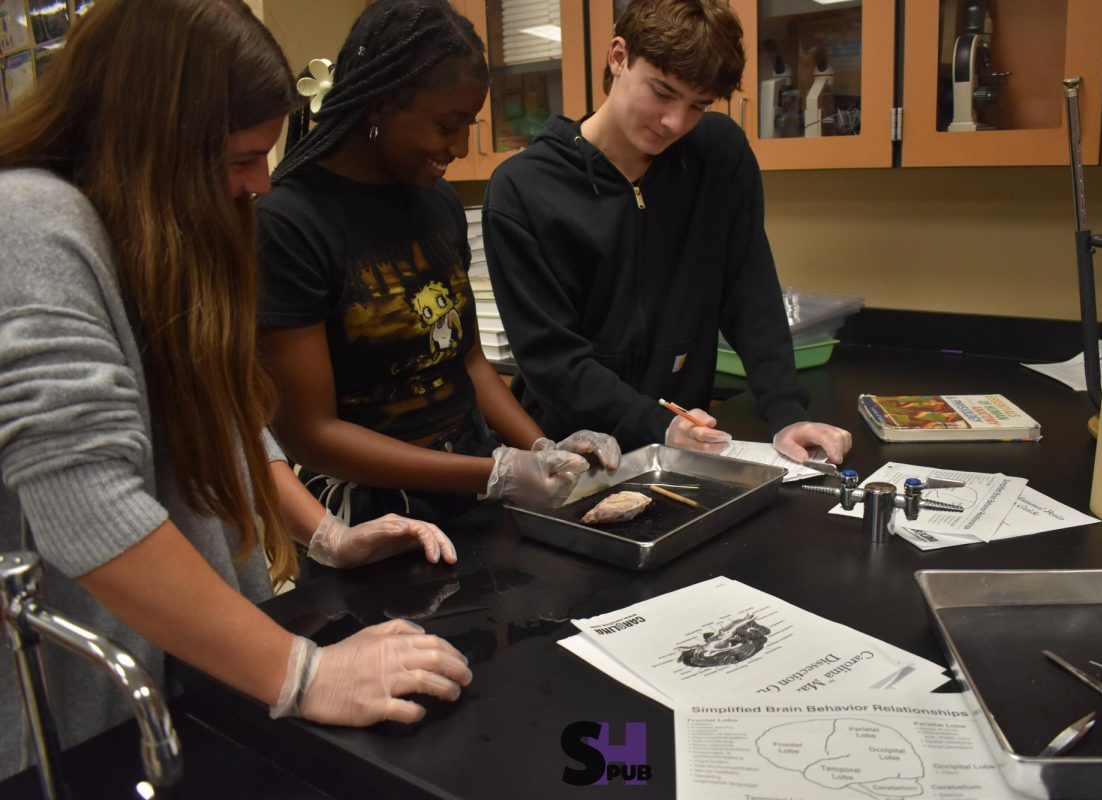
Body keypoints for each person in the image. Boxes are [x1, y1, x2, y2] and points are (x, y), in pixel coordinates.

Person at [0, 0, 471, 781]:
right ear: (152, 142)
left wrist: (324, 534)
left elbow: (222, 414)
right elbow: (89, 503)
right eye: (237, 160)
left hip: (189, 668)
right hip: (73, 718)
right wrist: (304, 673)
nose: (258, 182)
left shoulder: (147, 225)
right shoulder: (28, 225)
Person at [257, 0, 618, 530]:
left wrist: (541, 447)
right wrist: (491, 473)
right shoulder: (289, 223)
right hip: (376, 513)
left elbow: (467, 361)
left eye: (469, 123)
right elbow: (311, 432)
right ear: (381, 104)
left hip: (469, 480)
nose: (460, 145)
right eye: (448, 125)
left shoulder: (437, 203)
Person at [482, 0, 853, 464]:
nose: (674, 122)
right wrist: (657, 423)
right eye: (661, 92)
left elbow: (748, 290)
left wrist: (786, 412)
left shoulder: (718, 154)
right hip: (570, 452)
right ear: (619, 57)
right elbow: (552, 359)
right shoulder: (523, 188)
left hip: (677, 448)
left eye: (697, 105)